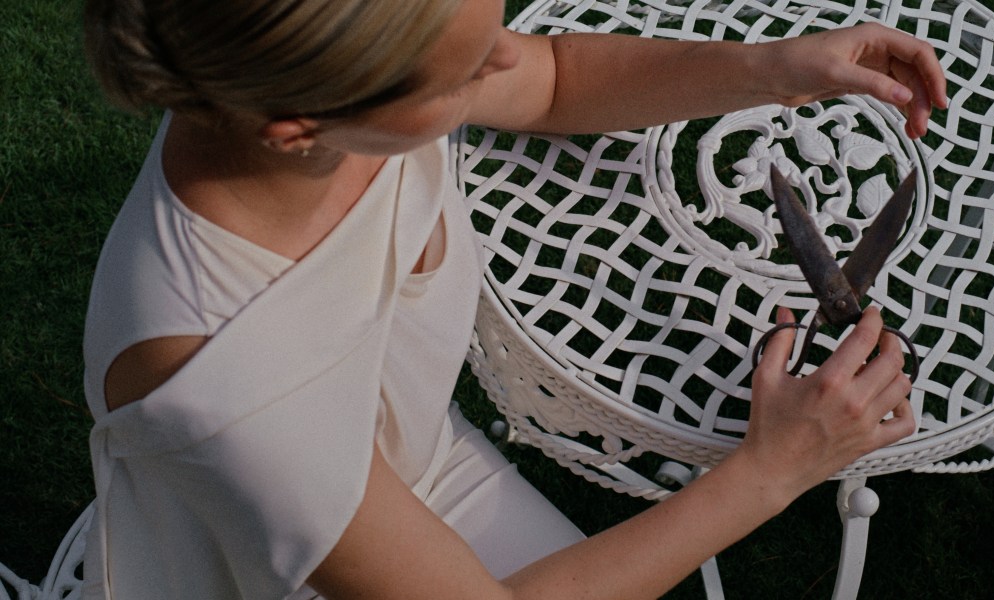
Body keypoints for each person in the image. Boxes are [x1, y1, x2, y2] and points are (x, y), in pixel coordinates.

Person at [80, 0, 947, 598]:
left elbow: (550, 76)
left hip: (411, 462)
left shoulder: (307, 90)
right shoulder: (219, 370)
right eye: (462, 74)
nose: (503, 57)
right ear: (299, 128)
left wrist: (769, 70)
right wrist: (773, 469)